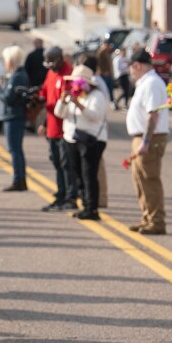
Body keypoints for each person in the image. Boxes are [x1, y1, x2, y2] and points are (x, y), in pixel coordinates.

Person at [54, 64, 110, 220]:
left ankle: (92, 208)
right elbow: (59, 113)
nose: (74, 85)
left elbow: (94, 116)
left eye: (77, 82)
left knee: (89, 175)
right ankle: (85, 205)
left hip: (91, 140)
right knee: (78, 174)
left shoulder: (96, 96)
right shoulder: (73, 95)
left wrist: (77, 103)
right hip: (72, 138)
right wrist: (64, 101)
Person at [125, 49, 170, 234]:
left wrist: (145, 141)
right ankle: (147, 217)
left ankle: (156, 221)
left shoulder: (151, 83)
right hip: (142, 136)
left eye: (131, 68)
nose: (130, 72)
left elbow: (153, 114)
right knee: (140, 180)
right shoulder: (146, 82)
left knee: (149, 179)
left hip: (150, 137)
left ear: (137, 66)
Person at [40, 46, 76, 211]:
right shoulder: (51, 73)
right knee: (56, 162)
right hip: (52, 128)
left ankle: (70, 197)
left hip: (65, 129)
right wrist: (38, 97)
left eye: (52, 63)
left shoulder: (69, 74)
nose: (51, 67)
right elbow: (45, 93)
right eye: (47, 64)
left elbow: (65, 103)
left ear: (60, 59)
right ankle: (61, 194)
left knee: (66, 163)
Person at [0, 44, 30, 191]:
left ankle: (18, 180)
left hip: (13, 116)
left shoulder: (17, 76)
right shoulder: (18, 75)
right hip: (15, 116)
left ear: (11, 60)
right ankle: (20, 179)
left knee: (14, 150)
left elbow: (8, 98)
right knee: (17, 149)